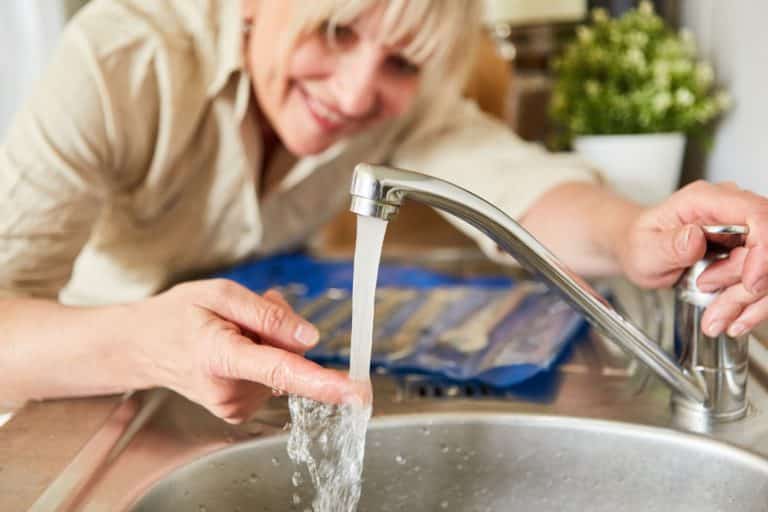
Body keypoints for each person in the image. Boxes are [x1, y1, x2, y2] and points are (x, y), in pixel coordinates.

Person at [1, 0, 767, 424]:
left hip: (228, 383)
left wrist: (633, 235)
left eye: (401, 61)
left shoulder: (401, 101)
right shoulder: (120, 63)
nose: (357, 93)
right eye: (334, 29)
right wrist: (144, 345)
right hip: (82, 384)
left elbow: (513, 186)